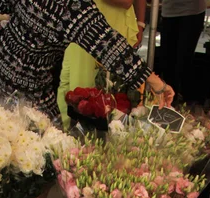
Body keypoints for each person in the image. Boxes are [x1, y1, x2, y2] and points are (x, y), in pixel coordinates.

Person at [0, 0, 172, 121]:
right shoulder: (70, 6)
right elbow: (107, 44)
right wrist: (156, 82)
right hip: (25, 79)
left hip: (8, 59)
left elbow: (1, 4)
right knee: (38, 143)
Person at [58, 0, 146, 128]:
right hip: (81, 20)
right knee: (72, 85)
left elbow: (126, 1)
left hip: (110, 21)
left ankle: (95, 139)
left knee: (104, 93)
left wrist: (140, 23)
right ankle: (71, 139)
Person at [160, 0, 206, 106]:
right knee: (167, 62)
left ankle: (184, 102)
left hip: (192, 12)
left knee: (183, 60)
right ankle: (169, 104)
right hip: (169, 12)